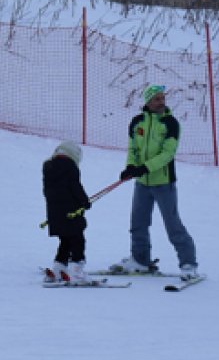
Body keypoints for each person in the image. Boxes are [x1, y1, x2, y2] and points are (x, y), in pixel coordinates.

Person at [110, 84, 200, 279]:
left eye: (162, 98)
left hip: (164, 183)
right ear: (148, 101)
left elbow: (168, 154)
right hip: (142, 183)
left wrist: (145, 167)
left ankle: (188, 264)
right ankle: (140, 260)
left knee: (172, 224)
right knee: (138, 223)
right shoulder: (137, 122)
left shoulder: (170, 123)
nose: (161, 102)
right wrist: (131, 167)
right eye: (157, 99)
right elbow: (132, 149)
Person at [43, 141, 91, 283]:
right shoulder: (70, 167)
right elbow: (75, 187)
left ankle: (59, 267)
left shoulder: (48, 167)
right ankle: (77, 268)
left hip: (54, 212)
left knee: (65, 239)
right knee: (77, 239)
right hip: (72, 211)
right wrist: (85, 201)